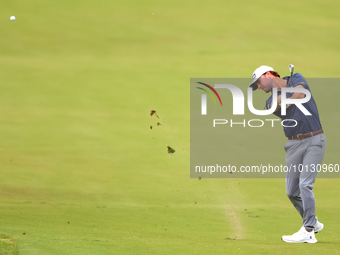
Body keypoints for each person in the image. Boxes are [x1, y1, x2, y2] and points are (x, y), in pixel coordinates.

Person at [249, 65, 326, 243]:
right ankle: (313, 222)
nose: (259, 87)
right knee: (292, 191)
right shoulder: (269, 101)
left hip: (314, 139)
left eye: (258, 82)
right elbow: (277, 105)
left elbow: (301, 94)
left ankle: (308, 230)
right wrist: (286, 97)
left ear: (268, 74)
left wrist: (288, 95)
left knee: (305, 184)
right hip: (293, 144)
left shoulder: (296, 78)